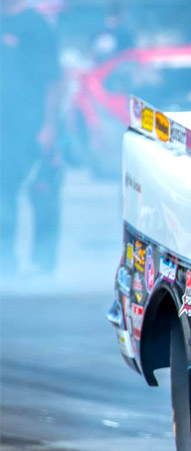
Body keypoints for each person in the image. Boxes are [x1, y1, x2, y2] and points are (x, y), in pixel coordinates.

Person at [1, 0, 63, 277]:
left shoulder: (36, 26)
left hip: (33, 126)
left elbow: (53, 80)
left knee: (43, 192)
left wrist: (49, 125)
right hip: (5, 129)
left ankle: (42, 261)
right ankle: (6, 263)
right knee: (4, 197)